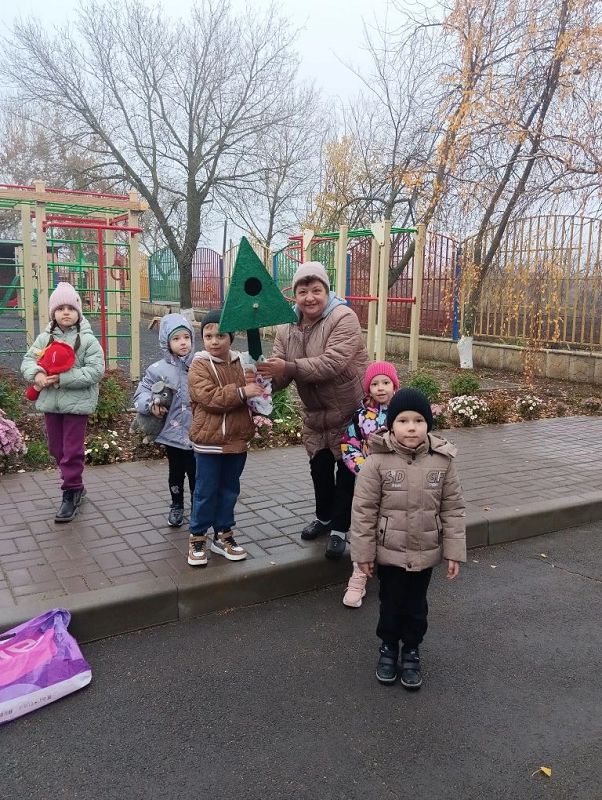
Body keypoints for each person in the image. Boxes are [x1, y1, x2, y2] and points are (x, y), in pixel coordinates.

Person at [350, 388, 466, 690]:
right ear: (391, 425)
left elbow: (453, 508)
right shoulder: (377, 462)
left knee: (416, 606)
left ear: (428, 423)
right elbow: (363, 511)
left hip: (425, 552)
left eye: (418, 420)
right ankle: (388, 647)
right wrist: (363, 554)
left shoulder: (443, 461)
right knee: (390, 604)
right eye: (403, 421)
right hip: (389, 553)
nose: (411, 427)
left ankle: (411, 650)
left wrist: (454, 551)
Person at [257, 261, 369, 560]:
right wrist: (262, 379)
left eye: (316, 290)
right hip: (316, 412)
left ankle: (340, 530)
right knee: (319, 469)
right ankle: (324, 518)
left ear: (326, 291)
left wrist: (288, 367)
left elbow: (333, 363)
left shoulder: (344, 318)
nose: (310, 298)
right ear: (294, 295)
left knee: (347, 473)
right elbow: (281, 373)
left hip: (349, 409)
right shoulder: (286, 326)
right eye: (303, 291)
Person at [20, 282, 105, 523]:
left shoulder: (87, 340)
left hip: (77, 405)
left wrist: (63, 378)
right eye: (60, 308)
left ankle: (71, 490)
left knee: (72, 449)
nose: (65, 312)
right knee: (56, 449)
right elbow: (28, 361)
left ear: (78, 312)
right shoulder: (44, 339)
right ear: (53, 313)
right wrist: (37, 373)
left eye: (70, 308)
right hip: (51, 404)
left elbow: (95, 371)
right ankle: (75, 484)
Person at [186, 309, 263, 567]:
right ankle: (197, 537)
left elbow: (257, 388)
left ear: (231, 336)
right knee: (205, 491)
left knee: (229, 491)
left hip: (236, 440)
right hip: (209, 441)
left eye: (220, 335)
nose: (214, 341)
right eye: (208, 336)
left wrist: (262, 381)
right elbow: (209, 397)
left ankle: (223, 535)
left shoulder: (242, 362)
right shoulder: (199, 364)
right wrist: (243, 391)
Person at [340, 361, 399, 607]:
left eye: (386, 382)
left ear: (395, 385)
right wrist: (364, 470)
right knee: (364, 528)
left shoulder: (403, 415)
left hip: (397, 486)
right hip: (367, 485)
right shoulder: (361, 415)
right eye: (375, 384)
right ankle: (359, 576)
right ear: (368, 388)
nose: (381, 388)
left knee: (394, 528)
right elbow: (349, 445)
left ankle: (394, 573)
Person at [133, 313, 195, 527]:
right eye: (176, 338)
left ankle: (198, 508)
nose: (182, 342)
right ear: (166, 342)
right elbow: (142, 392)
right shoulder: (158, 369)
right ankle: (176, 505)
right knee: (175, 473)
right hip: (171, 434)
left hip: (196, 433)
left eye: (186, 337)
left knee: (197, 474)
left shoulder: (200, 364)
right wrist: (151, 404)